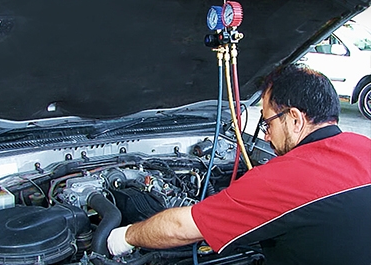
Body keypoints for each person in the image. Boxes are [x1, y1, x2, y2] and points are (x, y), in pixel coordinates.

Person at [107, 64, 371, 265]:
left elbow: (179, 228)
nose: (266, 136)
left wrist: (124, 237)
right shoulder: (364, 146)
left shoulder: (286, 177)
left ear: (294, 119)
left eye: (267, 123)